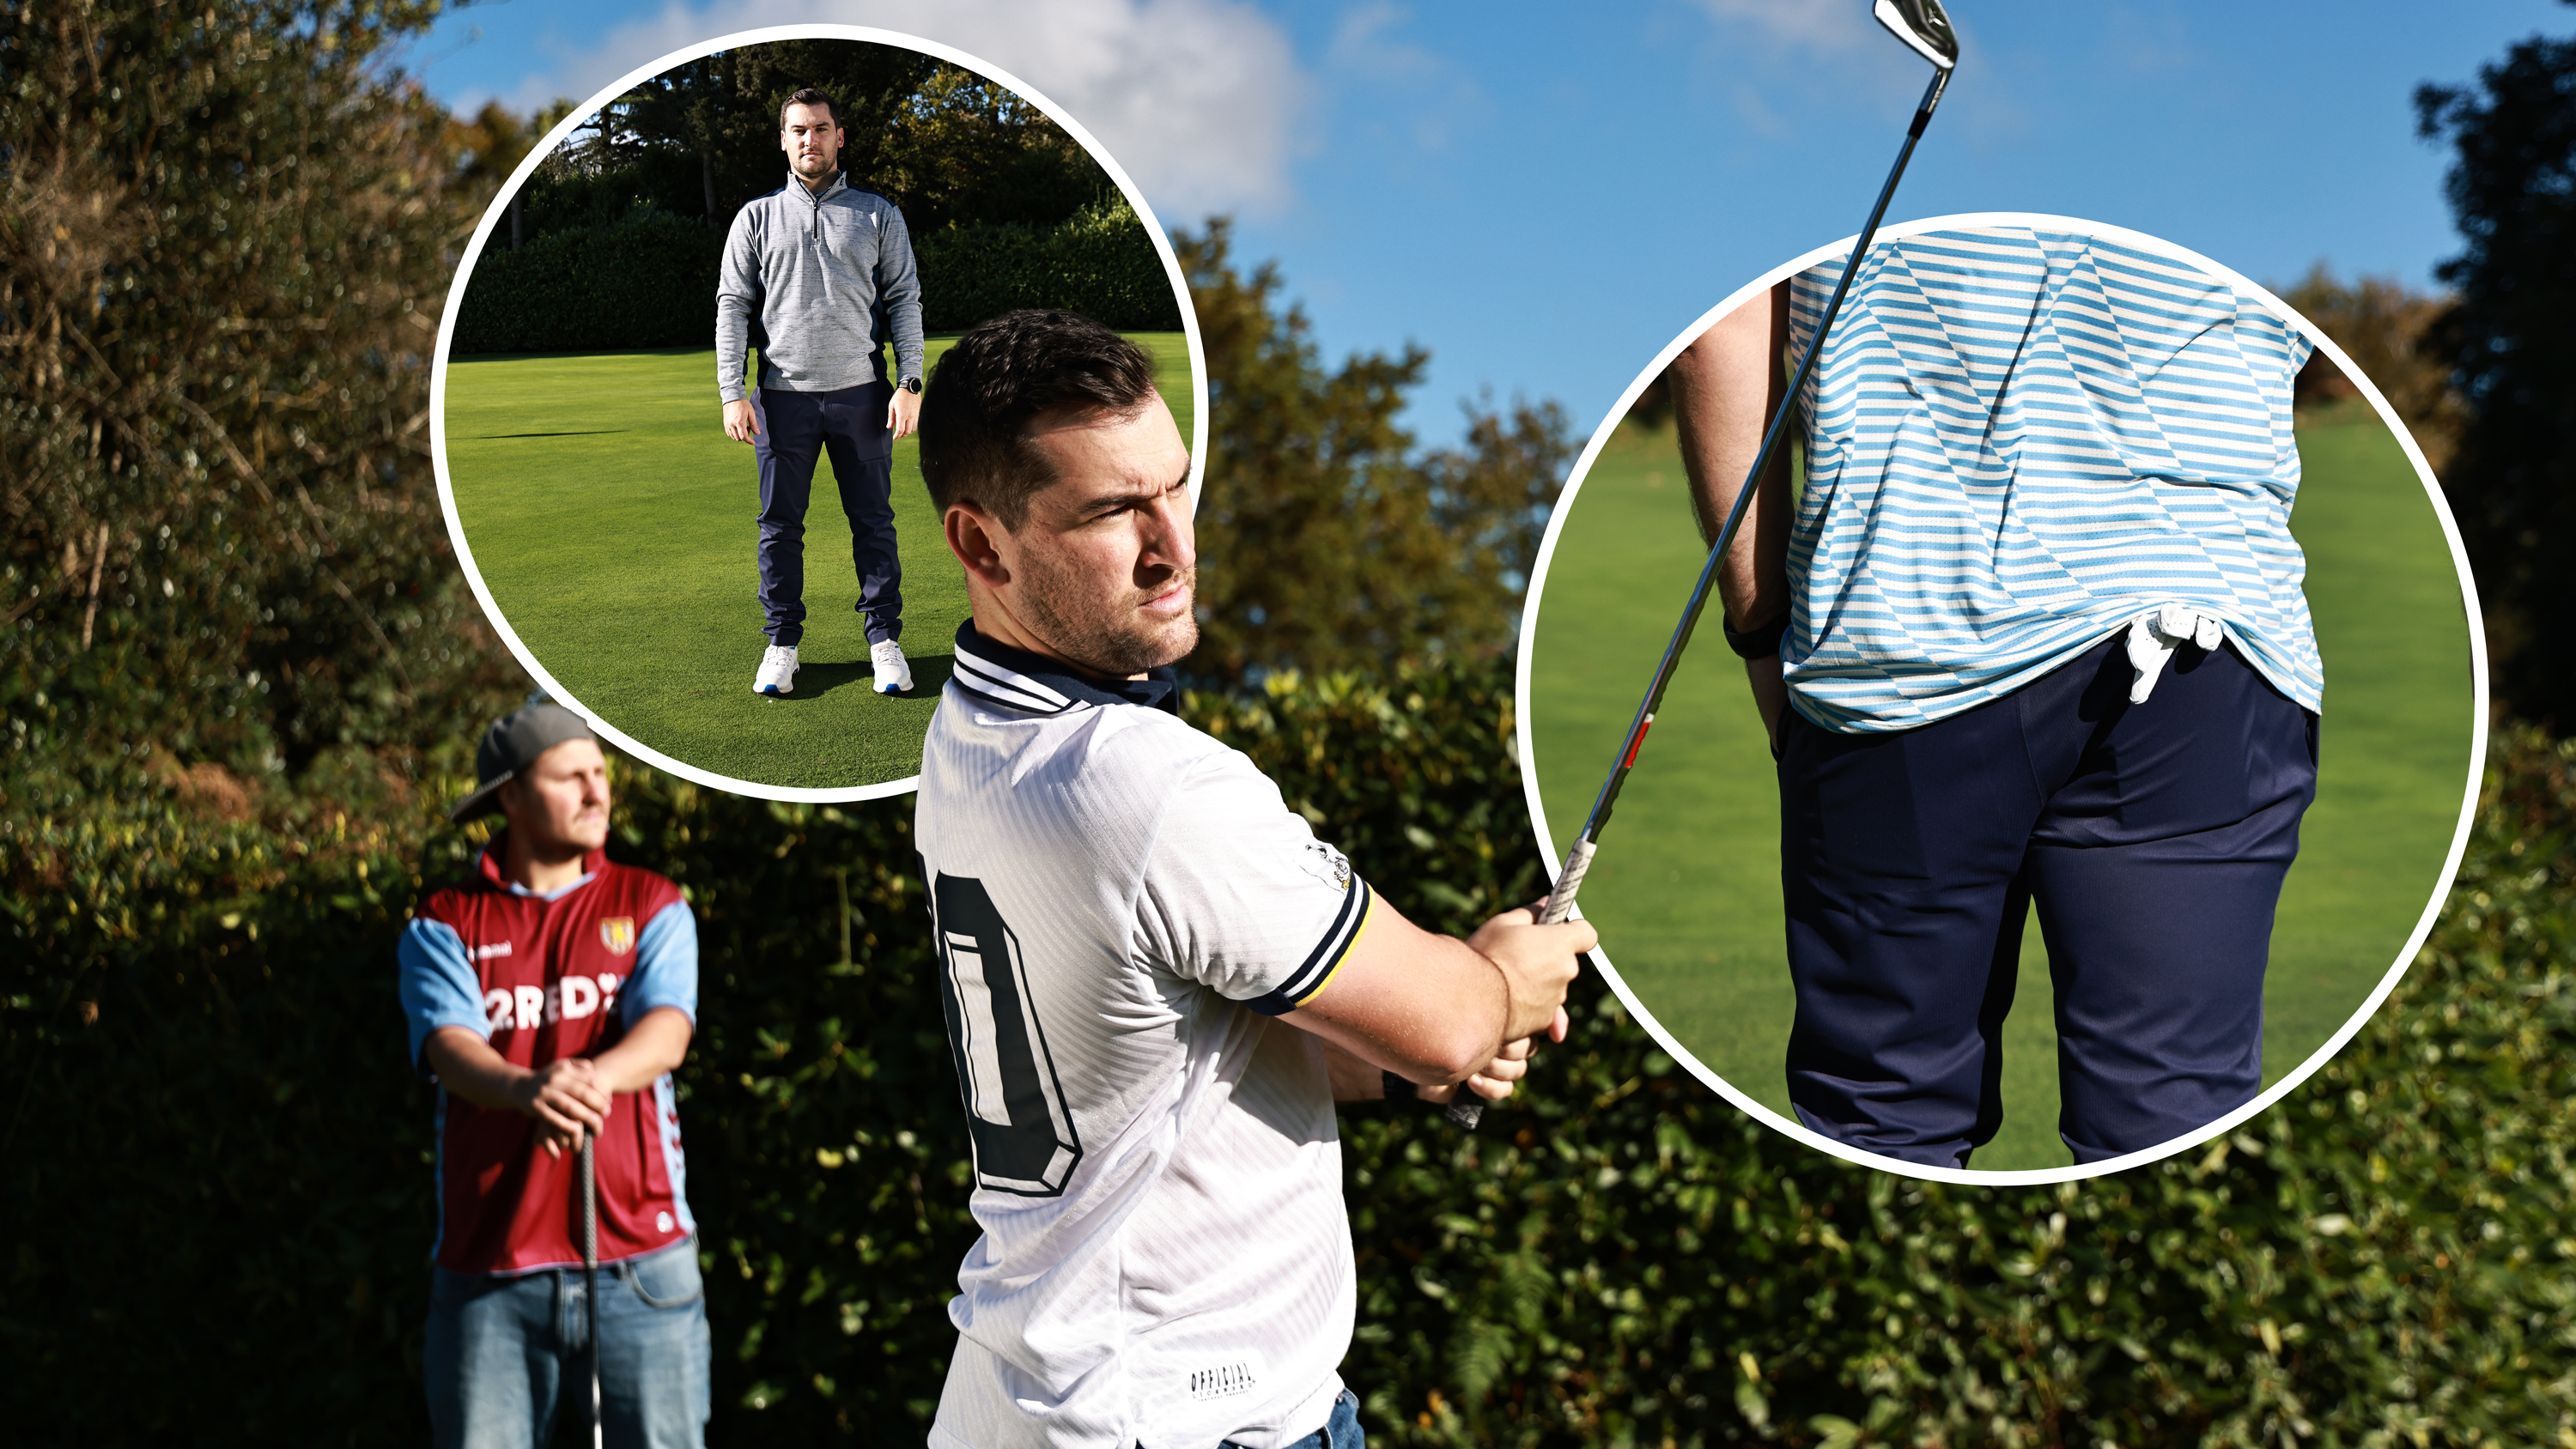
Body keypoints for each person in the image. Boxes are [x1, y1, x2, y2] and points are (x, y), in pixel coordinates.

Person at [911, 310, 1596, 1449]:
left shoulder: (969, 734)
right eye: (1111, 512)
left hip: (1037, 1402)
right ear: (983, 545)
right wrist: (1503, 981)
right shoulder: (1142, 781)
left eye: (1175, 487)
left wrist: (1411, 1070)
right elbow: (1445, 1022)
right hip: (1184, 1420)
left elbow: (1165, 1050)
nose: (1171, 545)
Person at [1670, 224, 2322, 1170]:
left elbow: (1716, 336)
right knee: (2176, 1129)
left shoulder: (1843, 140)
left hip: (1903, 633)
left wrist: (1764, 633)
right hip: (2210, 646)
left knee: (1880, 1123)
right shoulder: (2260, 114)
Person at [398, 703, 710, 1447]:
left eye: (601, 774)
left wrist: (586, 1079)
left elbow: (666, 1033)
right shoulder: (442, 922)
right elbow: (450, 1049)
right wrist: (527, 1088)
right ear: (510, 795)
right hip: (490, 1270)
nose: (598, 792)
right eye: (572, 777)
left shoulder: (650, 903)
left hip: (644, 1266)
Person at [716, 84, 925, 699]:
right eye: (798, 130)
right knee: (779, 528)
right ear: (784, 140)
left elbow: (904, 299)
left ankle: (884, 642)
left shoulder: (877, 215)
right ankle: (783, 645)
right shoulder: (755, 218)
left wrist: (909, 382)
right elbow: (734, 306)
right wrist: (732, 390)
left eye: (821, 128)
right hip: (782, 400)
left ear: (840, 136)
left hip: (862, 396)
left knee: (874, 524)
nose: (811, 139)